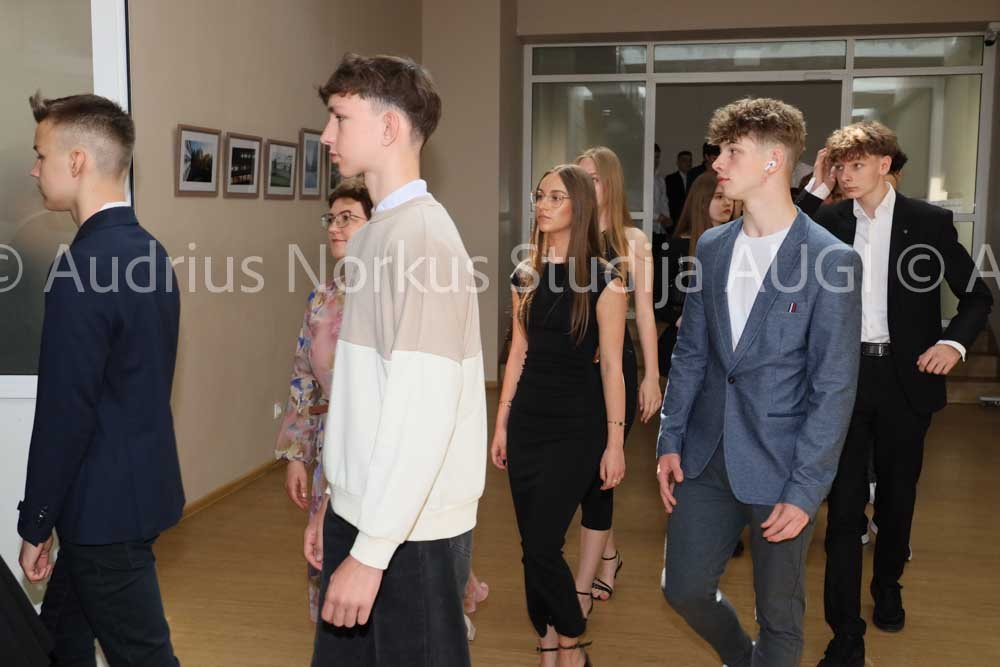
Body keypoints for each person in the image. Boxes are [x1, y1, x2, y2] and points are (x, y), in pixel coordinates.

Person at [656, 97, 863, 667]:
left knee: (779, 613)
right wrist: (670, 436)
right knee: (683, 588)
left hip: (782, 464)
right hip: (705, 456)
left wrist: (806, 488)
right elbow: (692, 353)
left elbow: (834, 387)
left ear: (773, 161)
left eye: (732, 151)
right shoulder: (713, 246)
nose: (717, 162)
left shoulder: (831, 260)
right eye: (719, 150)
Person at [305, 53, 486, 667]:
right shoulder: (379, 234)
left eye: (339, 117)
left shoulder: (424, 242)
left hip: (410, 533)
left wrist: (372, 550)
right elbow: (367, 397)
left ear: (388, 127)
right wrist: (335, 505)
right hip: (363, 514)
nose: (326, 134)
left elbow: (421, 413)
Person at [797, 123, 993, 667]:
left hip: (906, 379)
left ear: (885, 164)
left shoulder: (928, 222)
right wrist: (816, 186)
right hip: (843, 378)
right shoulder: (829, 221)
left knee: (897, 497)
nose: (845, 174)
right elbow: (783, 241)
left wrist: (953, 343)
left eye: (856, 164)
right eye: (839, 165)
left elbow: (976, 296)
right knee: (843, 510)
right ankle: (845, 635)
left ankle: (887, 584)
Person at [18, 92, 183, 665]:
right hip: (131, 495)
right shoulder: (150, 253)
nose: (34, 169)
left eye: (41, 155)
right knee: (58, 644)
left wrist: (35, 522)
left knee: (143, 656)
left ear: (77, 161)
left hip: (103, 514)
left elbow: (65, 413)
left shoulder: (80, 269)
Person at [492, 163, 627, 667]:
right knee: (532, 544)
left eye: (554, 197)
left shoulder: (606, 278)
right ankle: (549, 642)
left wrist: (615, 443)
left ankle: (571, 636)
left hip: (577, 426)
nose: (542, 206)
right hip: (528, 420)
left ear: (579, 206)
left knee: (543, 545)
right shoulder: (524, 273)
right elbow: (518, 353)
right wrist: (502, 422)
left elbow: (612, 366)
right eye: (539, 196)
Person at [274, 179, 372, 622]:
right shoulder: (322, 299)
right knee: (328, 562)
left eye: (348, 218)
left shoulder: (393, 298)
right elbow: (303, 379)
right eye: (331, 218)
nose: (334, 227)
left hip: (379, 457)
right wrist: (297, 455)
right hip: (331, 455)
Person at [574, 147, 660, 613]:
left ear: (610, 183)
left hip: (616, 367)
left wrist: (651, 375)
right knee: (583, 470)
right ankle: (608, 554)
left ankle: (585, 581)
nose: (586, 185)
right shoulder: (570, 233)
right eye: (580, 177)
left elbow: (644, 313)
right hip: (572, 366)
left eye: (593, 177)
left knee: (601, 474)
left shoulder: (633, 240)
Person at [657, 171, 732, 377]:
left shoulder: (738, 244)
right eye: (719, 197)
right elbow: (657, 301)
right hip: (685, 347)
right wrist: (682, 319)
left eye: (730, 197)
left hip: (725, 349)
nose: (727, 203)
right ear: (702, 201)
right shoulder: (676, 247)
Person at [664, 149, 694, 225]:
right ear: (678, 163)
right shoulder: (670, 179)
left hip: (692, 218)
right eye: (684, 160)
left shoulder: (695, 179)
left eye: (690, 160)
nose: (688, 163)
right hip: (675, 219)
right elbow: (667, 200)